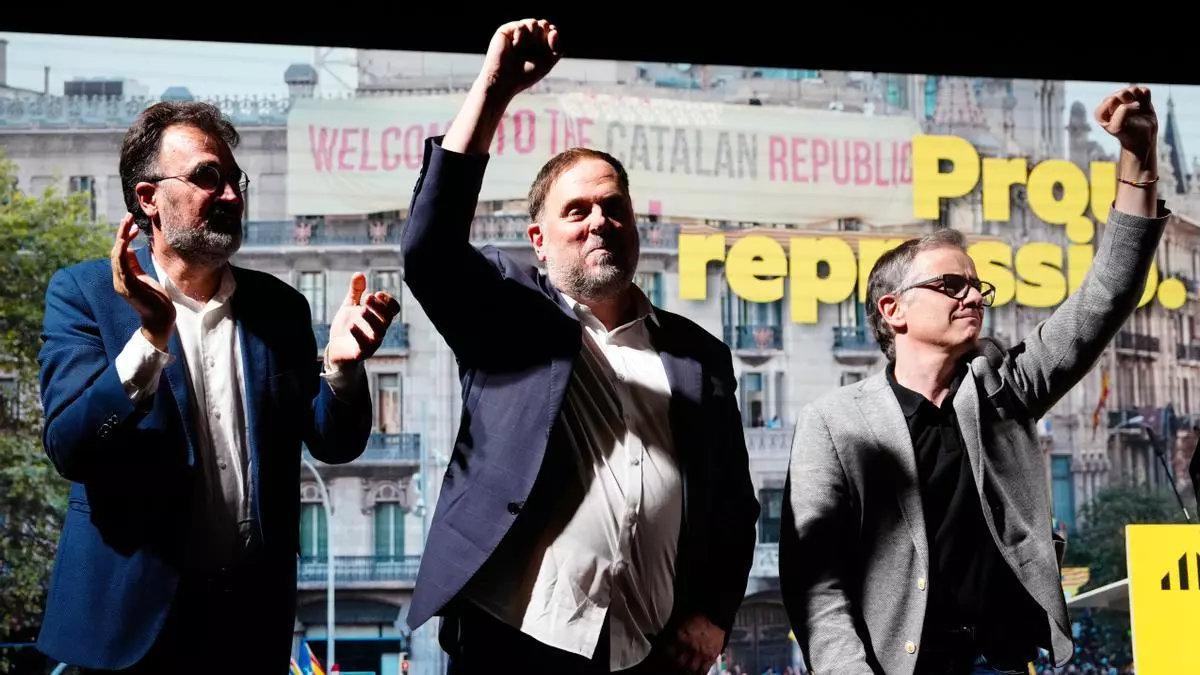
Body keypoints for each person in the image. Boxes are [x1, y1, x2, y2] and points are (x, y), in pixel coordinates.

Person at [401, 18, 759, 675]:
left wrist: (714, 614)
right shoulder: (508, 315)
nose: (600, 219)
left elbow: (734, 503)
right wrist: (495, 89)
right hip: (514, 640)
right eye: (577, 210)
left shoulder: (697, 353)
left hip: (653, 650)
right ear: (538, 241)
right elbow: (429, 248)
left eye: (614, 206)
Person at [780, 86, 1166, 674]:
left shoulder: (1004, 390)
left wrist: (1138, 159)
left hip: (1004, 662)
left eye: (976, 286)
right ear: (894, 310)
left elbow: (1105, 298)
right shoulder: (834, 424)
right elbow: (817, 586)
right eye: (949, 286)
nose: (972, 297)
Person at [36, 101, 400, 673]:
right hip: (128, 632)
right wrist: (151, 339)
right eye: (208, 176)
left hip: (248, 628)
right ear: (148, 198)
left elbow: (333, 443)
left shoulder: (280, 307)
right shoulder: (84, 295)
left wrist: (344, 369)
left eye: (236, 179)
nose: (231, 194)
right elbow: (70, 444)